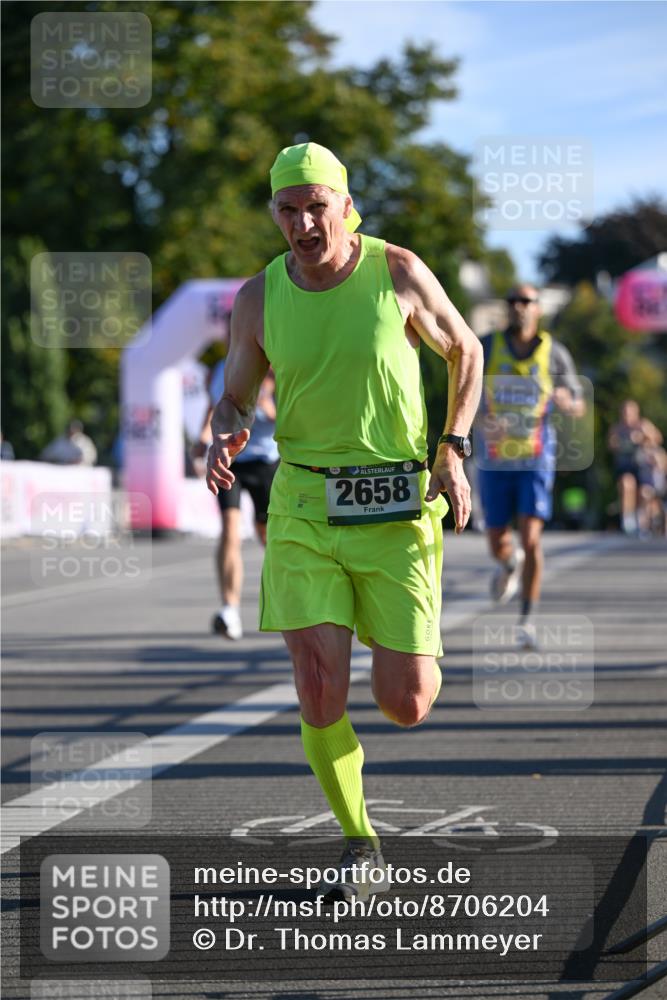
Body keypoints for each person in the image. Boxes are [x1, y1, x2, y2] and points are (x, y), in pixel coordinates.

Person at [206, 141, 483, 901]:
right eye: (287, 210)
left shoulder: (394, 271)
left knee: (406, 704)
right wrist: (221, 427)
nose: (302, 224)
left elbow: (465, 349)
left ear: (342, 202)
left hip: (395, 509)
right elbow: (235, 394)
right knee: (319, 683)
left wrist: (451, 449)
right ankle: (360, 846)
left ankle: (402, 640)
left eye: (314, 207)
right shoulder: (258, 296)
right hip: (301, 504)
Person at [475, 284, 585, 649]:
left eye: (527, 301)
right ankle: (508, 564)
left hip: (536, 457)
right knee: (497, 541)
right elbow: (465, 391)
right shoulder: (488, 346)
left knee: (533, 537)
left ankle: (526, 620)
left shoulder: (555, 354)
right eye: (513, 302)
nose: (519, 307)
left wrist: (567, 400)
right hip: (494, 459)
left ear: (539, 309)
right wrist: (480, 420)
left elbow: (577, 403)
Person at [195, 364, 279, 639]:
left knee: (269, 535)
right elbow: (215, 406)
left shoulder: (275, 364)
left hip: (265, 462)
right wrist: (203, 437)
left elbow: (294, 416)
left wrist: (268, 405)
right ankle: (229, 608)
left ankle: (285, 596)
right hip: (232, 461)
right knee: (230, 529)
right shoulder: (220, 368)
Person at [608, 400, 663, 535]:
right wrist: (621, 443)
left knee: (645, 492)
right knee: (628, 484)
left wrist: (643, 437)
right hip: (626, 467)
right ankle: (628, 520)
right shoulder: (617, 429)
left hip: (642, 467)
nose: (627, 415)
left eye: (630, 412)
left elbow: (657, 439)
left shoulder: (643, 425)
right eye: (625, 412)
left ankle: (642, 520)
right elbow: (611, 445)